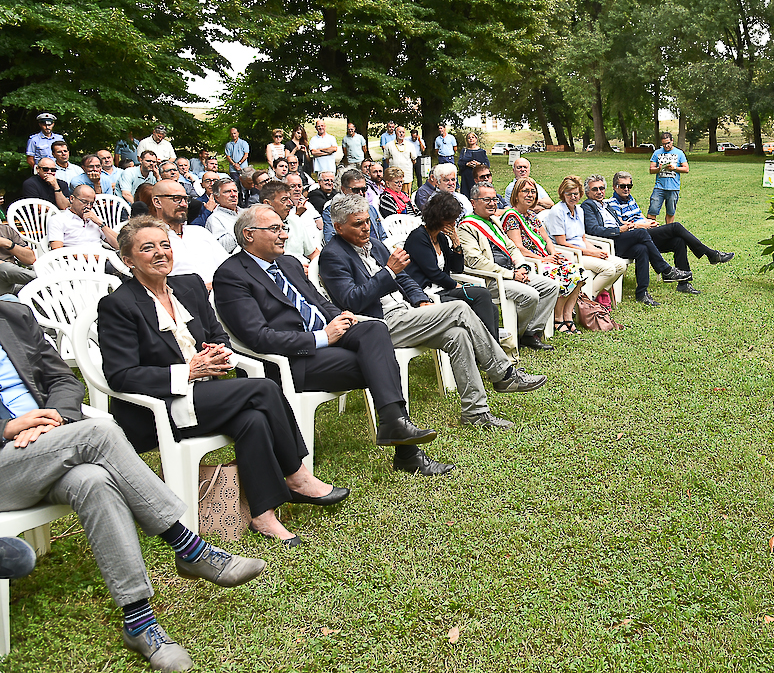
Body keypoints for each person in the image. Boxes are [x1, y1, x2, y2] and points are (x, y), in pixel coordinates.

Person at [0, 296, 266, 671]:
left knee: (93, 480)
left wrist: (55, 419)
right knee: (98, 431)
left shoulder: (11, 313)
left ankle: (139, 622)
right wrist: (8, 428)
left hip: (45, 445)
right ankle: (190, 549)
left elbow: (60, 378)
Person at [100, 217, 347, 552]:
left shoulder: (188, 286)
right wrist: (187, 371)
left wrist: (218, 352)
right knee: (263, 388)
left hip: (206, 394)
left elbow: (217, 335)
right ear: (128, 261)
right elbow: (121, 375)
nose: (160, 253)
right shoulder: (118, 305)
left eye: (165, 245)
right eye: (148, 248)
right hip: (158, 409)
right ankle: (296, 475)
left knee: (254, 419)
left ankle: (263, 515)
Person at [211, 205, 450, 475]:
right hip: (291, 361)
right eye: (275, 229)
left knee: (374, 329)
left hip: (329, 340)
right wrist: (321, 337)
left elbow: (318, 303)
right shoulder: (231, 275)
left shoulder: (288, 263)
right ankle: (406, 450)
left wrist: (342, 317)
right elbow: (258, 338)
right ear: (249, 234)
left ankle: (395, 424)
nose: (284, 236)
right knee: (379, 363)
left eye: (284, 228)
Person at [321, 194, 546, 429]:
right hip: (377, 325)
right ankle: (503, 373)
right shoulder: (333, 256)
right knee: (459, 308)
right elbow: (352, 300)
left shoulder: (374, 245)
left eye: (367, 221)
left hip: (405, 312)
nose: (366, 227)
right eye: (358, 223)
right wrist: (388, 272)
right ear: (338, 227)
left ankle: (475, 412)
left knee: (457, 335)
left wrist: (420, 300)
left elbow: (405, 279)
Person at [457, 183, 559, 351]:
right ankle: (514, 335)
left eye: (494, 199)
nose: (492, 203)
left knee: (551, 286)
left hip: (512, 271)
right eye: (486, 200)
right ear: (473, 203)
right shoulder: (467, 227)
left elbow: (512, 247)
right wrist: (511, 274)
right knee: (530, 295)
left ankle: (530, 332)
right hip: (491, 279)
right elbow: (475, 261)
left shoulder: (494, 221)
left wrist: (522, 266)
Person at [604, 171, 733, 294]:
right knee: (675, 227)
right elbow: (621, 225)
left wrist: (649, 221)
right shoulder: (612, 203)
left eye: (629, 186)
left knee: (679, 241)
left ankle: (684, 284)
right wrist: (644, 225)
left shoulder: (631, 199)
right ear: (615, 187)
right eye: (622, 186)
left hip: (648, 233)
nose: (626, 189)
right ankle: (710, 254)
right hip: (635, 237)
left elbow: (641, 216)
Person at [579, 175, 692, 307]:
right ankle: (665, 270)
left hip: (621, 237)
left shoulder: (605, 205)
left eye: (602, 188)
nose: (599, 192)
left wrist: (628, 225)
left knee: (641, 249)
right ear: (588, 192)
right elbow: (593, 230)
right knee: (642, 233)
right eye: (595, 189)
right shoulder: (588, 206)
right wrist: (619, 230)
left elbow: (618, 221)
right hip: (609, 243)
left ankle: (642, 293)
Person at [403, 193, 500, 339]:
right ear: (439, 218)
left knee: (489, 305)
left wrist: (456, 242)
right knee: (480, 296)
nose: (453, 223)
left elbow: (457, 268)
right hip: (428, 293)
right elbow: (433, 273)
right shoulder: (418, 237)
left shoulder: (440, 237)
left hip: (443, 289)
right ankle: (490, 349)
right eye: (451, 220)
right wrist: (456, 286)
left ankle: (491, 347)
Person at [501, 179, 588, 333]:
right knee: (566, 273)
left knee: (579, 271)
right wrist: (543, 259)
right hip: (530, 262)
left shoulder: (532, 215)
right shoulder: (512, 217)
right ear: (516, 195)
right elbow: (517, 248)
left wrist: (553, 253)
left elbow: (547, 239)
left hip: (545, 258)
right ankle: (557, 317)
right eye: (526, 191)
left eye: (533, 192)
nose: (530, 195)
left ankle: (567, 315)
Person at [149, 180, 228, 288]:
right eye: (176, 199)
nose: (183, 204)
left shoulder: (200, 232)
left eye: (186, 199)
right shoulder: (151, 239)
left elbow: (227, 265)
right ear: (157, 202)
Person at [321, 169, 387, 245]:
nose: (361, 193)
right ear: (343, 190)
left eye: (363, 189)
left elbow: (382, 236)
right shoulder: (332, 211)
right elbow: (330, 240)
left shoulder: (371, 208)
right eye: (356, 190)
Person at [258, 180, 319, 262]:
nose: (290, 203)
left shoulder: (295, 220)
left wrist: (314, 270)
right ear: (267, 203)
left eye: (289, 199)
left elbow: (313, 253)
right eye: (284, 200)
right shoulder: (258, 228)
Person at [45, 185, 119, 250]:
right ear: (72, 199)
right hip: (75, 261)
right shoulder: (58, 219)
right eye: (84, 202)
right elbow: (57, 250)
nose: (88, 206)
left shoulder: (95, 219)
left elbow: (119, 245)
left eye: (92, 203)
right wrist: (87, 257)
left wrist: (100, 223)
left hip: (102, 258)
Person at [649, 132, 688, 223]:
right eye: (663, 144)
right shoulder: (657, 153)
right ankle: (651, 233)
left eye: (668, 143)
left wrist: (674, 168)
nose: (666, 146)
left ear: (672, 141)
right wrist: (658, 168)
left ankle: (668, 233)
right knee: (652, 210)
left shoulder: (679, 153)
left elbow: (686, 169)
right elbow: (651, 169)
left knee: (670, 212)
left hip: (673, 187)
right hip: (659, 187)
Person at [204, 178, 242, 253]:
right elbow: (222, 247)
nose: (233, 195)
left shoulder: (246, 213)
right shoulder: (214, 219)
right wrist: (244, 228)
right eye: (227, 192)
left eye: (235, 191)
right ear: (217, 197)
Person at [0, 219, 36, 295]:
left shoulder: (6, 230)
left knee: (45, 290)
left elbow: (31, 259)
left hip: (14, 282)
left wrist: (8, 244)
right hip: (3, 282)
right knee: (4, 268)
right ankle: (48, 279)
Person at [457, 132, 489, 198]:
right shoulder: (464, 151)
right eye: (469, 138)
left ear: (476, 139)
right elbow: (459, 163)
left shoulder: (481, 151)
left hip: (477, 177)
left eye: (472, 137)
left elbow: (487, 164)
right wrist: (467, 164)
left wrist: (479, 164)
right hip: (466, 177)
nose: (471, 139)